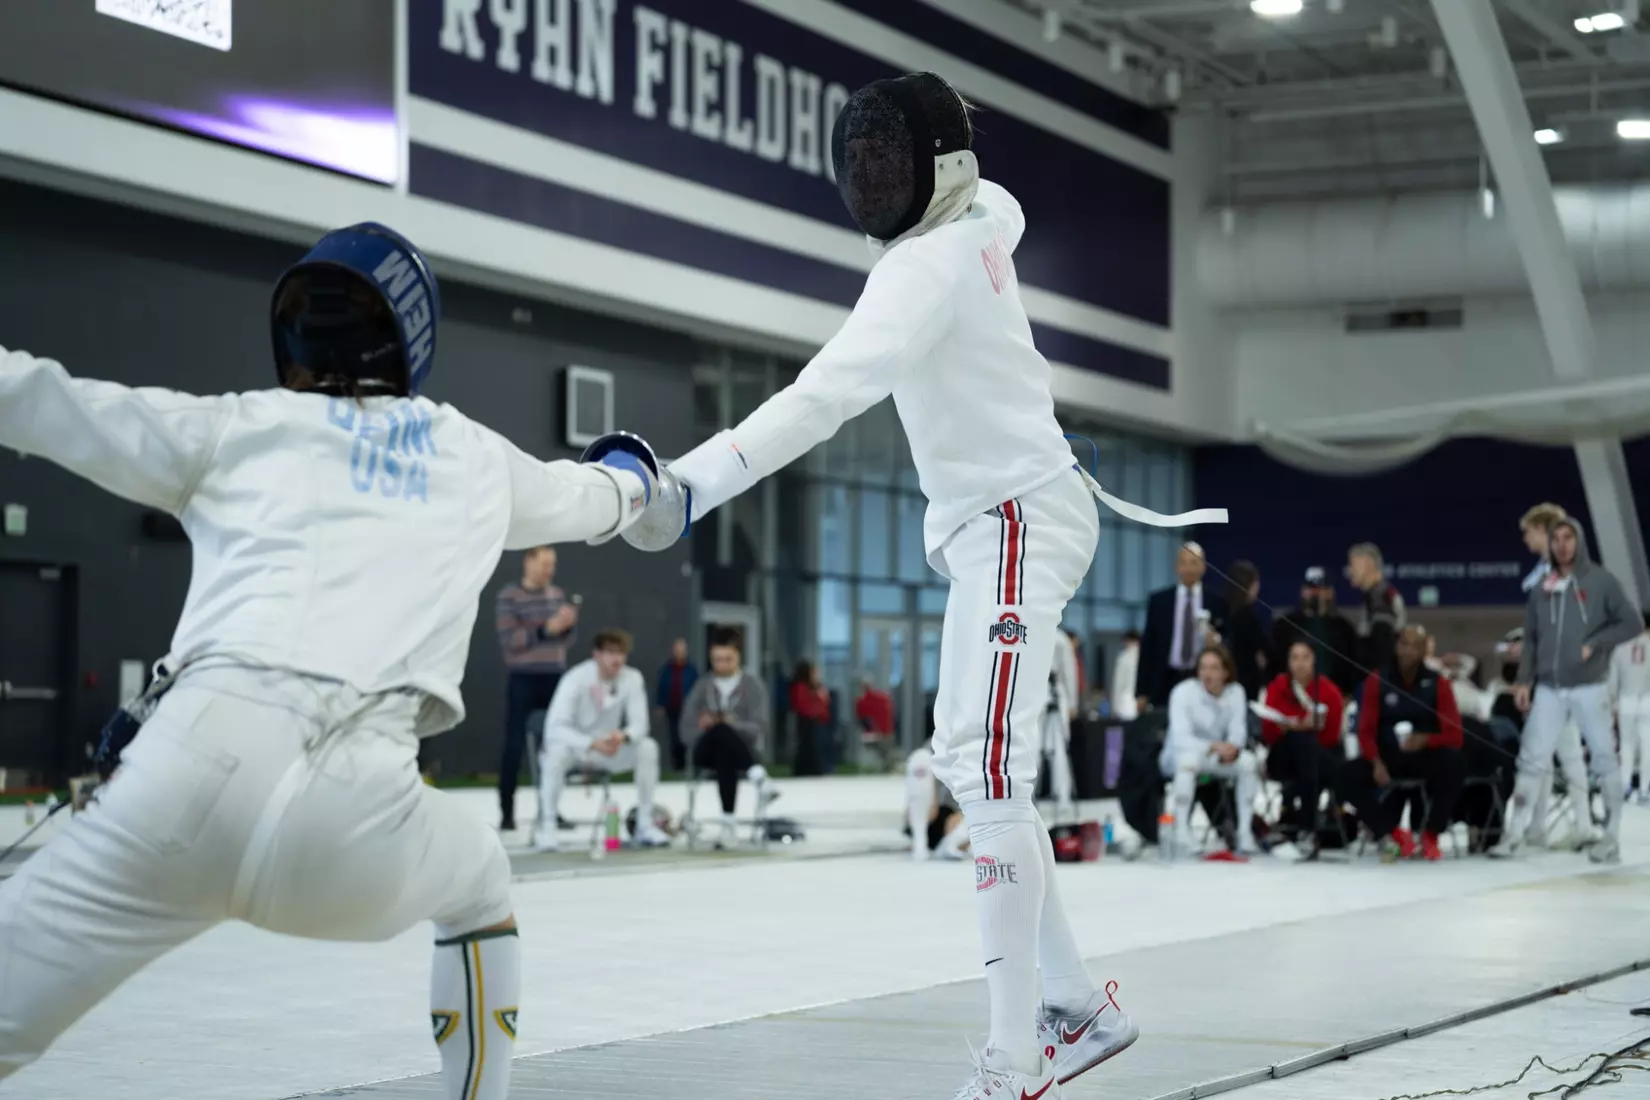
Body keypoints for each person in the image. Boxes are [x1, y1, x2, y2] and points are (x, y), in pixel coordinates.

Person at [0, 223, 661, 1097]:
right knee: (478, 883)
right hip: (358, 818)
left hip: (181, 781)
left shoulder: (241, 426)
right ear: (411, 338)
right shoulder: (470, 456)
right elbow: (594, 497)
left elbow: (42, 398)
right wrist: (635, 477)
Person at [612, 72, 1164, 1097]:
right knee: (972, 761)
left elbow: (821, 397)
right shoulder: (987, 214)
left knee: (988, 769)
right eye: (856, 159)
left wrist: (689, 485)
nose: (867, 178)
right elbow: (1012, 204)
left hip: (1016, 518)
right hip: (1004, 517)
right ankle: (1077, 1005)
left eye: (886, 159)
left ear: (938, 168)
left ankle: (1013, 1058)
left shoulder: (924, 267)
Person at [1494, 518, 1642, 863]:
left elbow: (1632, 622)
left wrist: (1596, 642)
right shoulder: (1541, 589)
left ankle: (1610, 836)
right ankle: (1514, 833)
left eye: (1568, 538)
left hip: (1590, 687)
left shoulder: (1601, 582)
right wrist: (1523, 681)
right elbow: (1530, 639)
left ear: (1579, 541)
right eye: (1556, 539)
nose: (1562, 545)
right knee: (1530, 761)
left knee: (1604, 760)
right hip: (1548, 688)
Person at [535, 629, 668, 852]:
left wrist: (623, 736)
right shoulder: (576, 678)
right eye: (610, 652)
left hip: (611, 749)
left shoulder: (632, 678)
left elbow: (640, 724)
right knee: (554, 753)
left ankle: (645, 824)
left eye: (621, 653)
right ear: (596, 654)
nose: (617, 659)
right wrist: (590, 743)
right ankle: (547, 827)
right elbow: (555, 727)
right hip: (577, 749)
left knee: (648, 748)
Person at [1344, 626, 1465, 862]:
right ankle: (1392, 833)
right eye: (1404, 644)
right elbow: (1365, 731)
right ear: (1396, 647)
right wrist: (1375, 762)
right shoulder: (1377, 680)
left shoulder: (1438, 683)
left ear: (1424, 651)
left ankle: (1431, 834)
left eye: (1416, 646)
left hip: (1424, 756)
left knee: (1455, 762)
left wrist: (1427, 739)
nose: (1409, 651)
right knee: (1344, 775)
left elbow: (1455, 735)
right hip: (1388, 758)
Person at [494, 546, 577, 831]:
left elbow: (564, 642)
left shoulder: (556, 595)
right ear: (528, 561)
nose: (549, 570)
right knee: (514, 746)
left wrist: (567, 627)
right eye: (544, 563)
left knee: (555, 744)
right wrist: (546, 630)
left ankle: (551, 809)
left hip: (554, 675)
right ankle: (507, 812)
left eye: (552, 564)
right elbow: (510, 640)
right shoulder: (509, 597)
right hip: (523, 677)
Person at [1160, 646, 1260, 856]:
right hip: (1179, 755)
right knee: (1188, 761)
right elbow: (1180, 737)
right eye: (1203, 668)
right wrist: (1212, 746)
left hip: (1215, 755)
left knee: (1249, 763)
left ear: (1225, 672)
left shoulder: (1236, 692)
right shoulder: (1183, 692)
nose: (1207, 674)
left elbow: (1238, 732)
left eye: (1214, 668)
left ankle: (1244, 832)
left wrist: (1233, 748)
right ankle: (1181, 831)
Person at [681, 632, 775, 848]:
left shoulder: (752, 686)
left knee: (725, 750)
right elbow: (686, 728)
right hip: (703, 748)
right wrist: (704, 727)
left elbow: (759, 728)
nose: (721, 665)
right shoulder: (702, 686)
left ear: (738, 658)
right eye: (716, 660)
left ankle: (728, 824)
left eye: (727, 659)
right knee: (720, 730)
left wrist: (733, 724)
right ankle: (759, 777)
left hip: (740, 751)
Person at [1259, 641, 1347, 858]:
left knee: (1308, 747)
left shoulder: (1329, 691)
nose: (1299, 663)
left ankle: (1304, 824)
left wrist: (1310, 728)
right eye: (1294, 657)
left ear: (1313, 660)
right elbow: (1268, 733)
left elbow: (1333, 736)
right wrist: (1295, 727)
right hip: (1283, 758)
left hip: (1319, 758)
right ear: (1288, 661)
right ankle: (1308, 828)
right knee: (1301, 740)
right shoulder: (1276, 688)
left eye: (1305, 657)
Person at [1140, 543, 1229, 709]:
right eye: (1184, 562)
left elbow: (1228, 640)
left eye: (1194, 562)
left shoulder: (1217, 602)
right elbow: (1148, 646)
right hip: (1165, 679)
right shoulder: (1159, 601)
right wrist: (1141, 692)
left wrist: (1216, 640)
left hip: (1202, 678)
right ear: (1176, 566)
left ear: (1203, 567)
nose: (1188, 568)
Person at [1271, 567, 1359, 695]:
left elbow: (1352, 667)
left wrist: (1346, 693)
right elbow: (1275, 664)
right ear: (1302, 591)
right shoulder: (1285, 625)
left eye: (1321, 589)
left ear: (1330, 592)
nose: (1316, 594)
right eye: (1311, 589)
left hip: (1334, 695)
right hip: (1292, 697)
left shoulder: (1344, 628)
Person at [1347, 543, 1405, 677]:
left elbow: (1383, 649)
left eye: (1353, 565)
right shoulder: (1374, 595)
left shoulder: (1381, 596)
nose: (1350, 571)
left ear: (1369, 565)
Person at [906, 739, 970, 861]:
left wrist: (961, 812)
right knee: (921, 756)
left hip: (958, 821)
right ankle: (920, 842)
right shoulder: (935, 742)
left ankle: (951, 844)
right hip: (929, 815)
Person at [1609, 617, 1650, 804]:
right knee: (1647, 745)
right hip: (1647, 700)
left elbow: (1613, 680)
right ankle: (1644, 788)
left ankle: (1625, 785)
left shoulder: (1620, 647)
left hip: (1626, 699)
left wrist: (1612, 704)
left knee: (1626, 745)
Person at [1042, 628, 1080, 821]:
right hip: (1034, 696)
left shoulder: (1060, 639)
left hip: (1055, 692)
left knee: (1058, 750)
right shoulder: (1027, 631)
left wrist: (1072, 702)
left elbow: (1068, 672)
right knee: (1032, 748)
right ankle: (1030, 795)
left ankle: (1063, 795)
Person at [1223, 560, 1271, 701]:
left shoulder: (1221, 611)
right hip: (1246, 683)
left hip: (1224, 681)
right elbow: (1267, 649)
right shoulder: (1248, 618)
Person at [654, 637, 697, 772]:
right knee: (674, 737)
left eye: (681, 650)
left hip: (688, 709)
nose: (679, 652)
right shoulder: (667, 669)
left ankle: (688, 766)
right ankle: (677, 767)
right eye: (676, 650)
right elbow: (661, 687)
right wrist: (660, 705)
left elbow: (697, 689)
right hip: (672, 708)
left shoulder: (691, 670)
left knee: (686, 736)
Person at [789, 660, 834, 776]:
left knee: (819, 746)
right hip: (807, 722)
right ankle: (810, 769)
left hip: (819, 721)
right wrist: (814, 713)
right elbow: (801, 705)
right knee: (809, 746)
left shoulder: (818, 687)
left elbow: (825, 703)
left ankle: (822, 768)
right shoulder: (800, 687)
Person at [1110, 629, 1142, 721]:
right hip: (1142, 702)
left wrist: (1114, 707)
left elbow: (1118, 684)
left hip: (1126, 703)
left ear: (1126, 641)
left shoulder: (1123, 658)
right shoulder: (1147, 657)